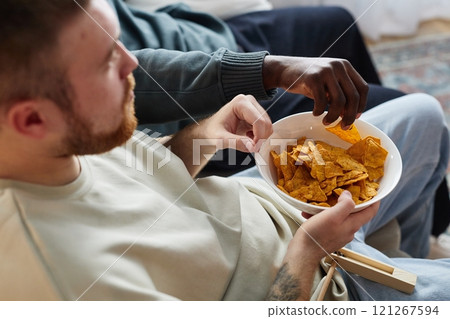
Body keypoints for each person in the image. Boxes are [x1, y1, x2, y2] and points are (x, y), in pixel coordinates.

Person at [1, 0, 449, 301]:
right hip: (312, 278)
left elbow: (150, 177)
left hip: (263, 208)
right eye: (107, 61)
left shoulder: (58, 138)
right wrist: (309, 251)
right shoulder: (69, 281)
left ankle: (402, 257)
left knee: (426, 116)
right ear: (33, 119)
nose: (133, 61)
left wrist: (206, 135)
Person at [109, 0, 450, 234]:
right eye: (105, 57)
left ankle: (432, 221)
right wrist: (265, 73)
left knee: (339, 22)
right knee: (411, 112)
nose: (126, 64)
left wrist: (266, 68)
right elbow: (136, 80)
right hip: (193, 103)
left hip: (202, 36)